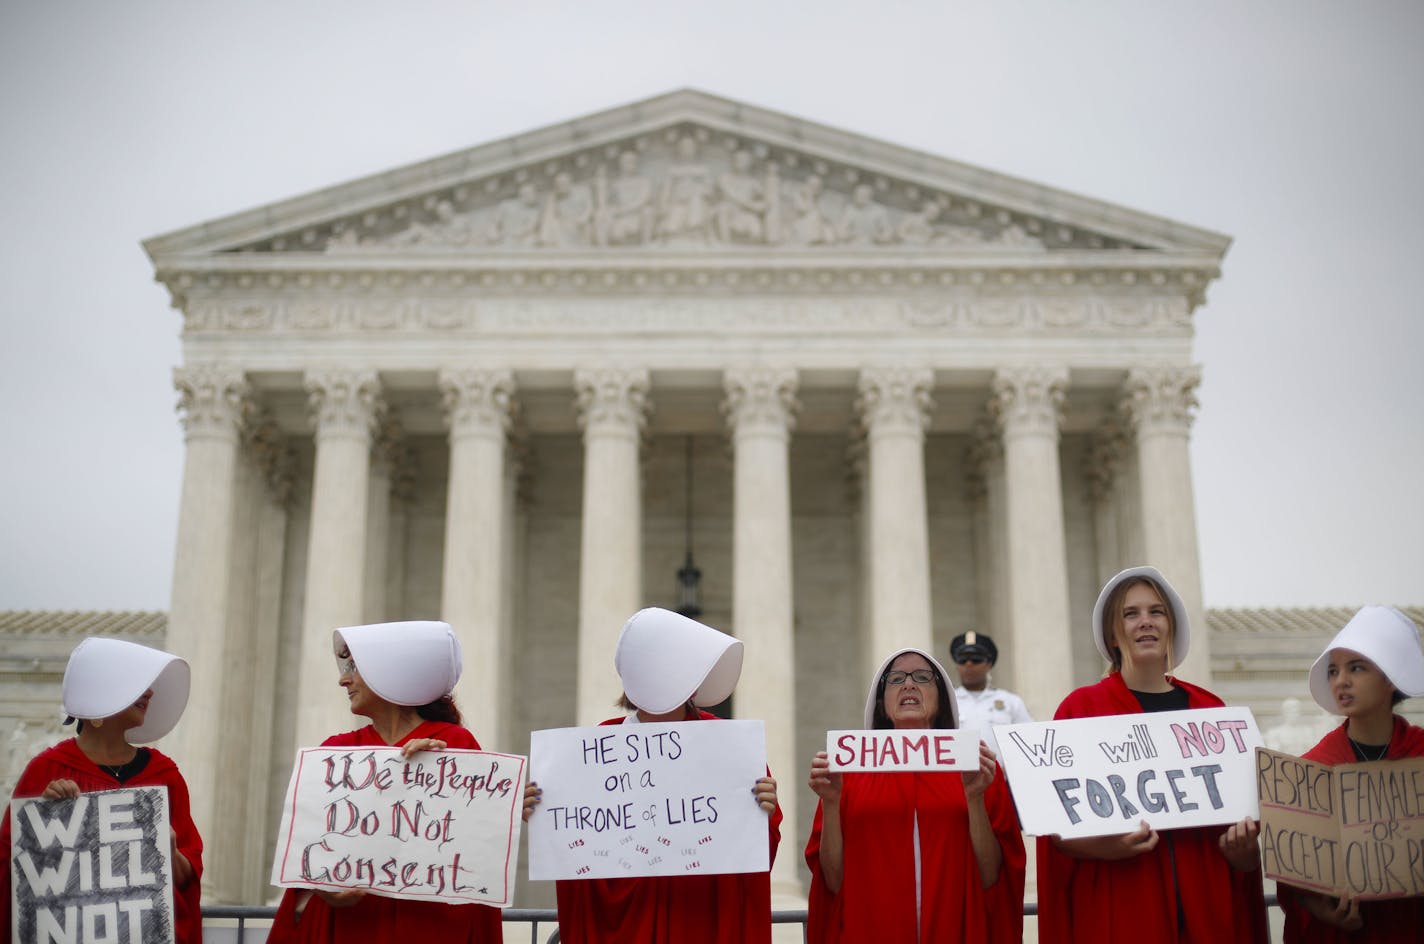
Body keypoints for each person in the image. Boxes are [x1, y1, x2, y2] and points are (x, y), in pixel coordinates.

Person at [1036, 565, 1269, 943]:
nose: (1145, 622)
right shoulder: (1081, 710)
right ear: (1113, 633)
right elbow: (1056, 830)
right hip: (1122, 904)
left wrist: (1244, 854)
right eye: (1131, 614)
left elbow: (1239, 834)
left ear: (1171, 626)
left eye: (1156, 612)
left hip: (1206, 907)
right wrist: (1105, 846)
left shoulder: (1211, 711)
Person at [523, 607, 782, 944]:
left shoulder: (728, 746)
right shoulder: (596, 746)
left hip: (698, 916)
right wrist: (544, 815)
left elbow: (757, 854)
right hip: (626, 922)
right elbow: (580, 847)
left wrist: (764, 809)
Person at [268, 620, 501, 943]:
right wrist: (323, 888)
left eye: (354, 667)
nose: (342, 679)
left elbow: (480, 837)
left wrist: (436, 778)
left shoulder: (454, 743)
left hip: (429, 926)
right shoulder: (337, 751)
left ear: (391, 671)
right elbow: (311, 849)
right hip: (353, 924)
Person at [805, 646, 1026, 943]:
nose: (909, 684)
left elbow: (991, 879)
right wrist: (831, 804)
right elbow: (832, 881)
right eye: (896, 679)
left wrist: (974, 799)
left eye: (922, 677)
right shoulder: (848, 774)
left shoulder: (978, 767)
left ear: (942, 697)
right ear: (882, 704)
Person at [1, 637, 203, 943]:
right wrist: (47, 819)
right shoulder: (46, 771)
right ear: (98, 697)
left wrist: (169, 852)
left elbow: (189, 875)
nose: (149, 692)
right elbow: (12, 872)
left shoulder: (165, 775)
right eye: (135, 684)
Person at [1278, 605, 1424, 942]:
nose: (1340, 681)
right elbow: (1293, 882)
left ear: (1390, 678)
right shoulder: (1311, 769)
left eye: (1356, 668)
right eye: (1333, 671)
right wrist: (1315, 906)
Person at [950, 630, 1033, 756]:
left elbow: (1029, 741)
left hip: (1002, 775)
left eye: (976, 659)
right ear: (957, 665)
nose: (969, 664)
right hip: (958, 775)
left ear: (989, 664)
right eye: (962, 659)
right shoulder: (947, 701)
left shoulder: (1011, 702)